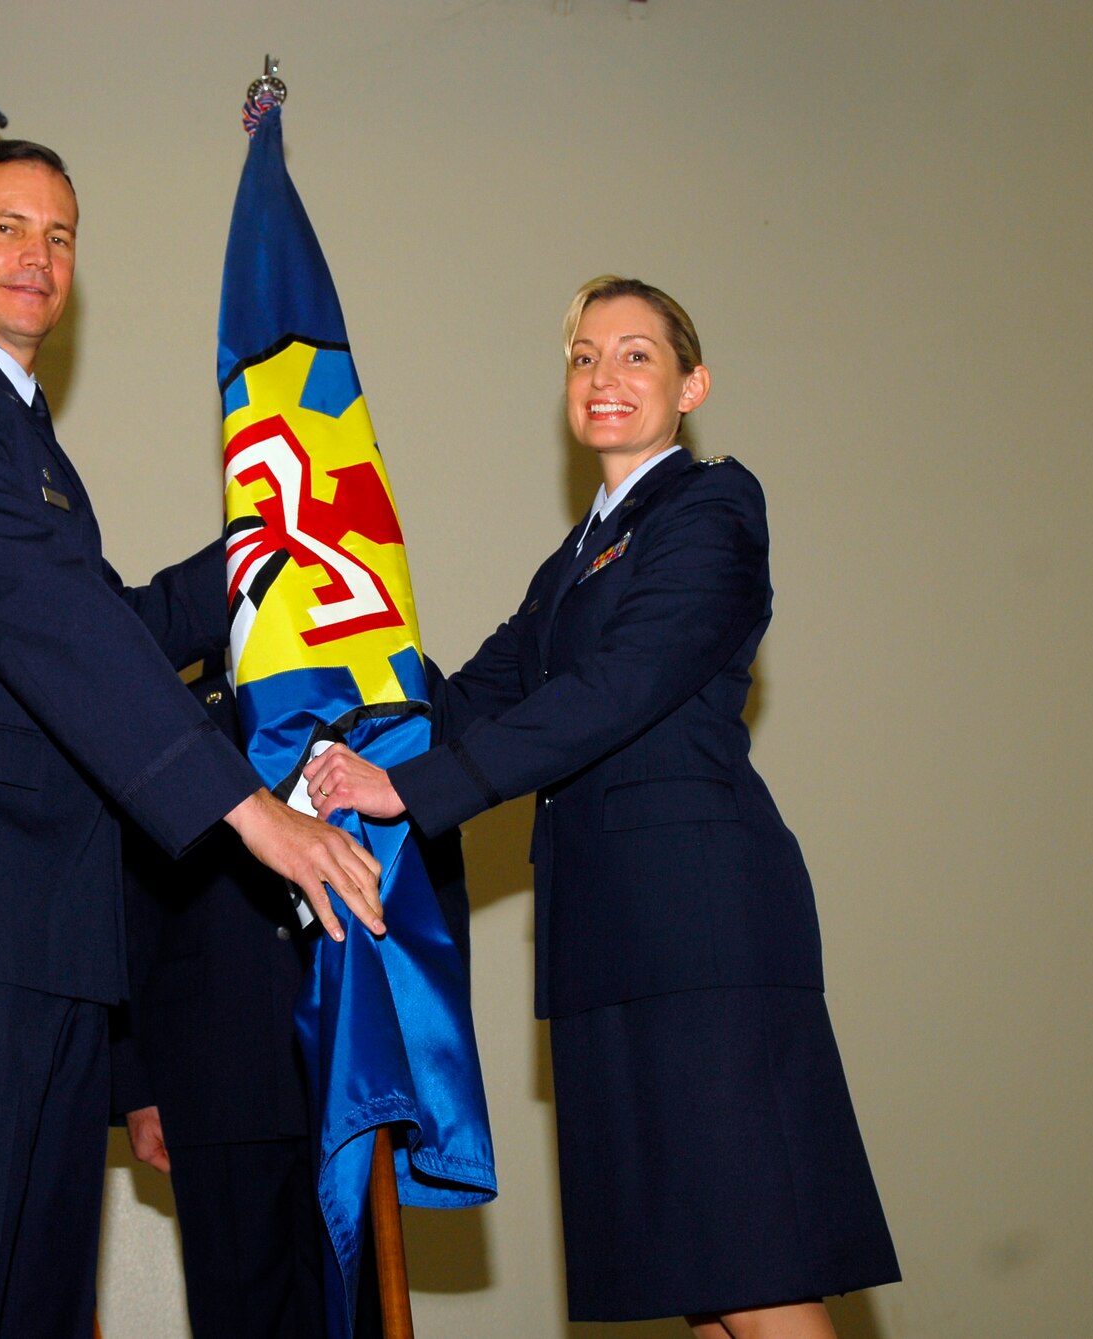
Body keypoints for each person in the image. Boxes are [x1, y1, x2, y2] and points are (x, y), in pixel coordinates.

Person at [0, 139, 385, 1338]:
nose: (36, 257)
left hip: (45, 932)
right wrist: (244, 805)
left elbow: (95, 622)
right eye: (7, 227)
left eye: (58, 236)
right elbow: (39, 612)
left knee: (35, 1300)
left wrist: (253, 561)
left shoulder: (24, 436)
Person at [303, 277, 899, 1337]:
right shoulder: (566, 566)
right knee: (701, 1289)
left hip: (697, 927)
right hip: (605, 939)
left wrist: (412, 791)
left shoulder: (712, 506)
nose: (603, 377)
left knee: (758, 1274)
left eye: (633, 354)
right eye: (583, 357)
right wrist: (332, 663)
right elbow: (466, 700)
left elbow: (615, 689)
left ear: (689, 384)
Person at [111, 666, 472, 1339]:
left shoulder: (388, 677)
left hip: (356, 1059)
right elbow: (130, 891)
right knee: (241, 1314)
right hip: (211, 1062)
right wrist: (133, 1079)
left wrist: (429, 1055)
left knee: (361, 1307)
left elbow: (434, 871)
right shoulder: (174, 695)